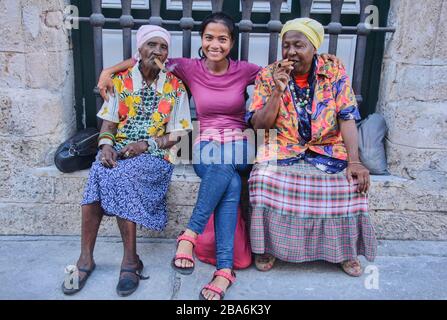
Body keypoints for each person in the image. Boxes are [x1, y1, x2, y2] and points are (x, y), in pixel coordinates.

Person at [97, 13, 341, 300]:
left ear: (231, 43)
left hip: (243, 139)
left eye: (222, 39)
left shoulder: (246, 69)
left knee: (224, 166)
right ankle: (225, 270)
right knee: (231, 182)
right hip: (203, 140)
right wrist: (108, 72)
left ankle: (190, 234)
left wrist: (325, 61)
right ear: (202, 41)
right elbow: (144, 57)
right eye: (209, 38)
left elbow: (284, 66)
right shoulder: (187, 67)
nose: (215, 44)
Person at [62, 25, 192, 297]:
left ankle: (130, 261)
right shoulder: (120, 82)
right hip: (120, 149)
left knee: (120, 175)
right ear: (139, 50)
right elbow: (108, 124)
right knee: (100, 169)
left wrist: (147, 143)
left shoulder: (175, 86)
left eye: (163, 47)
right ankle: (86, 258)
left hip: (156, 153)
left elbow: (180, 134)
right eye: (151, 45)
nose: (157, 51)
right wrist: (106, 145)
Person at [246, 18, 377, 276]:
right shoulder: (267, 74)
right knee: (261, 180)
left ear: (314, 47)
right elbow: (259, 126)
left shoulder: (334, 70)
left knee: (352, 185)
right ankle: (268, 247)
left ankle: (345, 251)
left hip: (327, 147)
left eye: (299, 45)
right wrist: (276, 90)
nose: (291, 52)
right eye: (286, 45)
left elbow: (347, 116)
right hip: (284, 146)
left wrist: (354, 160)